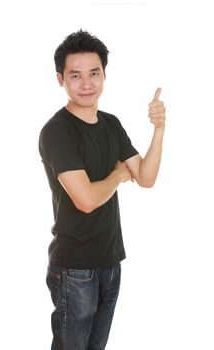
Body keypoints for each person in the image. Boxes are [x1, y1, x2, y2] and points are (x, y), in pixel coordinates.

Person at [39, 29, 166, 350]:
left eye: (94, 73)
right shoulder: (57, 132)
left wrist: (159, 130)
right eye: (76, 75)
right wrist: (119, 176)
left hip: (110, 262)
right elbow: (86, 200)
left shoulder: (110, 123)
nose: (86, 83)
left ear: (104, 76)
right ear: (60, 79)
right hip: (75, 268)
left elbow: (146, 177)